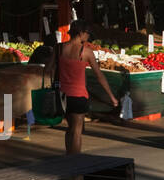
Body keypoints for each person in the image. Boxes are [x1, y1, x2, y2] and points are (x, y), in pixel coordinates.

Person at [48, 23, 119, 155]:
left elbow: (48, 70)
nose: (88, 36)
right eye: (87, 33)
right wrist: (111, 96)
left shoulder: (58, 48)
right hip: (78, 96)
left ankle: (69, 158)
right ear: (80, 32)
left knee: (70, 128)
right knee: (76, 131)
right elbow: (99, 76)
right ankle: (75, 164)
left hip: (61, 95)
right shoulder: (86, 52)